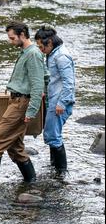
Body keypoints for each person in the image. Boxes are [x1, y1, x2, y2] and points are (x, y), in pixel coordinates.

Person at [0, 21, 45, 188]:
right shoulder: (25, 52)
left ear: (22, 35)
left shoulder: (33, 54)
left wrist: (31, 111)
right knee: (16, 149)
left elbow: (38, 85)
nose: (10, 41)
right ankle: (31, 181)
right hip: (16, 101)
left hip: (21, 104)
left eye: (12, 38)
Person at [35, 25, 75, 176]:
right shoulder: (53, 54)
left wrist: (62, 103)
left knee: (53, 135)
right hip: (54, 100)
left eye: (41, 46)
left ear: (49, 42)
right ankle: (55, 168)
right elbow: (53, 79)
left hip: (59, 102)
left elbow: (68, 82)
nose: (40, 49)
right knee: (52, 134)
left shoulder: (61, 56)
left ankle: (61, 173)